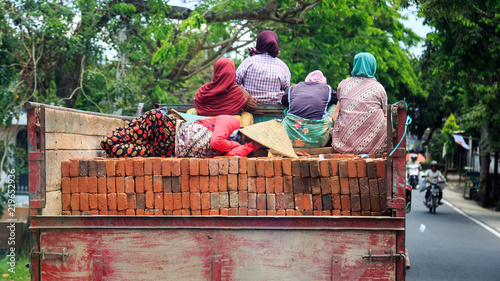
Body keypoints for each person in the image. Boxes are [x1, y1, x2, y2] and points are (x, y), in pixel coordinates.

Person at [100, 109, 260, 158]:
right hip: (165, 129)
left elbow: (230, 158)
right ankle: (109, 141)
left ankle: (110, 146)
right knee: (107, 142)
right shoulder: (231, 122)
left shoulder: (236, 149)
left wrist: (250, 147)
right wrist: (234, 144)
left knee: (114, 150)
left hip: (168, 150)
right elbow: (216, 142)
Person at [330, 52, 387, 154]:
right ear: (372, 66)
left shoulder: (343, 84)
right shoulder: (378, 88)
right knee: (385, 118)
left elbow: (340, 104)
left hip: (346, 141)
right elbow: (385, 111)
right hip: (374, 143)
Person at [281, 70, 338, 148]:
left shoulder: (294, 88)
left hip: (291, 137)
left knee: (289, 106)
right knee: (333, 107)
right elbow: (337, 100)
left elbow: (283, 101)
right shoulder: (327, 88)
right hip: (319, 139)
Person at [236, 30, 291, 105]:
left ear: (259, 43)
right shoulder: (282, 66)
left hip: (248, 106)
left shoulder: (248, 62)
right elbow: (287, 89)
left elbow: (236, 83)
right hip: (275, 108)